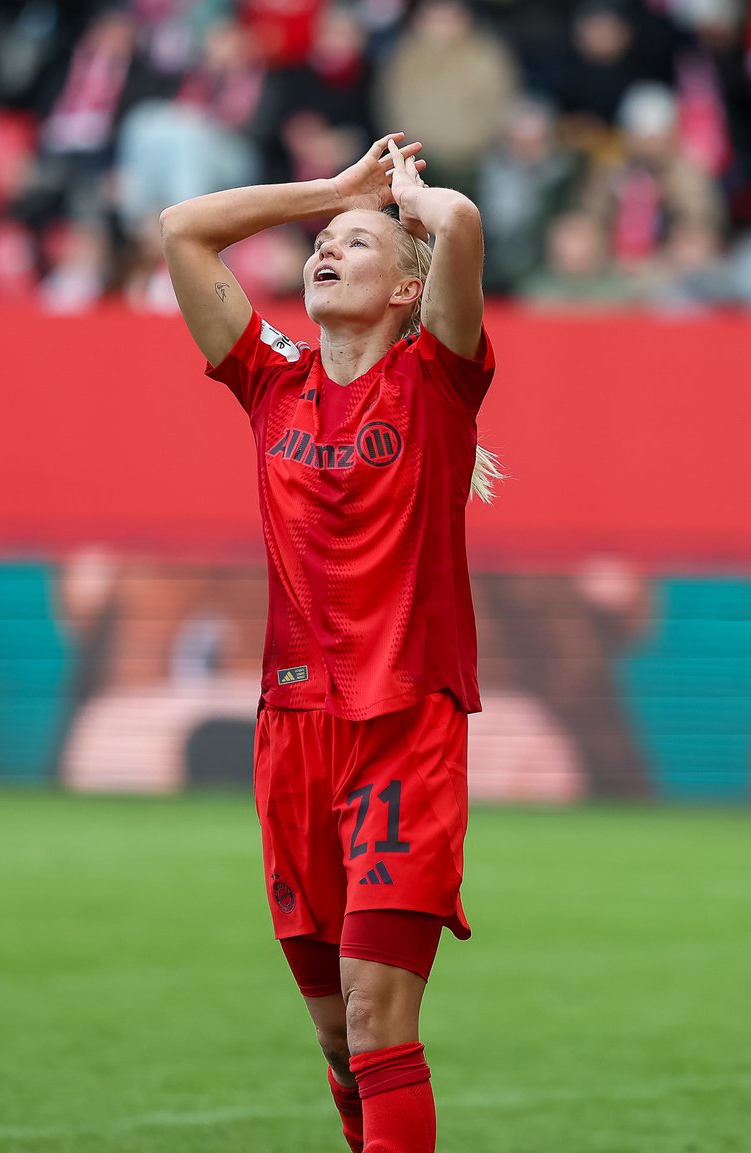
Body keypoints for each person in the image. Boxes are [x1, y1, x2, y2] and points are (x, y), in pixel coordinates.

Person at [157, 131, 496, 1153]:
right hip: (292, 733)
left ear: (405, 294)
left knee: (374, 1021)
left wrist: (405, 200)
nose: (326, 250)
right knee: (335, 1041)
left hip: (403, 725)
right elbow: (181, 231)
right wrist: (328, 190)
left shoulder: (436, 385)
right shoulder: (271, 385)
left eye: (355, 245)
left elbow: (464, 225)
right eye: (322, 244)